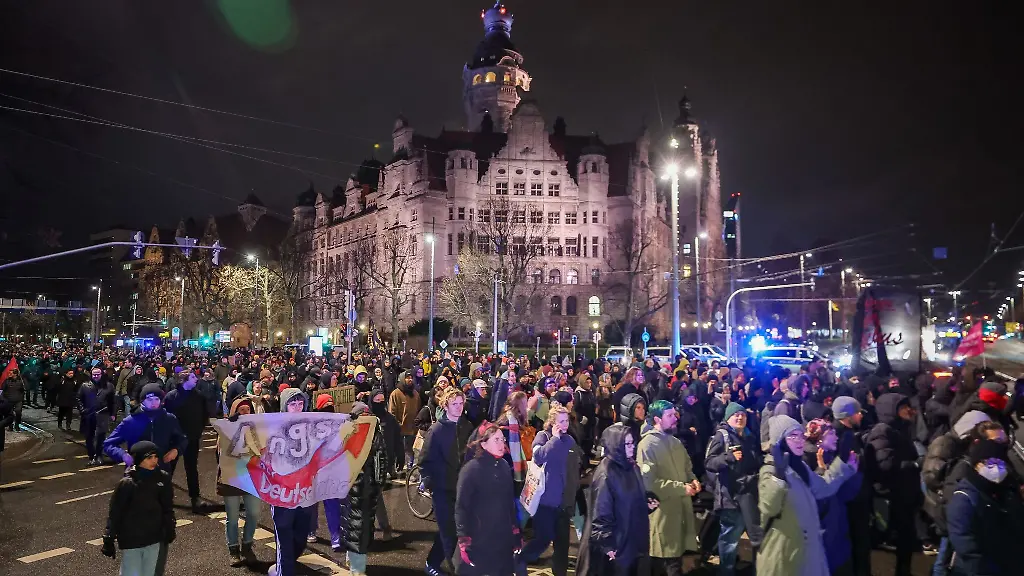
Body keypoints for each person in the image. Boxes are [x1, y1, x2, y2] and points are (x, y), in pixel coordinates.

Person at [756, 415, 855, 576]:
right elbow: (768, 507)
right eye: (793, 436)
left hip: (807, 553)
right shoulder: (769, 470)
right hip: (785, 556)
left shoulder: (799, 466)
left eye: (801, 435)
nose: (800, 440)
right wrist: (778, 478)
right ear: (780, 441)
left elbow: (822, 488)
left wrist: (843, 465)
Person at [576, 424, 655, 576]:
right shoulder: (606, 474)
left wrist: (647, 503)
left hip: (633, 541)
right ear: (616, 445)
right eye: (628, 444)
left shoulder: (632, 467)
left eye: (633, 443)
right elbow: (601, 512)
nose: (633, 447)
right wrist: (607, 544)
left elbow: (632, 498)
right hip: (618, 545)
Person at [922, 410, 992, 576]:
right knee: (946, 551)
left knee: (949, 547)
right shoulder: (945, 443)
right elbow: (931, 476)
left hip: (948, 502)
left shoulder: (959, 444)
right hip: (944, 504)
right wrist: (952, 489)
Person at [637, 400, 700, 576]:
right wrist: (681, 488)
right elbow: (649, 482)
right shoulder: (647, 445)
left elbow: (687, 467)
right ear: (657, 419)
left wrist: (693, 480)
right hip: (662, 516)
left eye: (675, 414)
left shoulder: (675, 442)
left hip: (679, 513)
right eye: (670, 416)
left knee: (676, 560)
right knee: (666, 563)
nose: (675, 419)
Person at [518, 403, 582, 576]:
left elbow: (575, 469)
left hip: (563, 503)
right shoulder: (543, 437)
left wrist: (574, 496)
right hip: (545, 502)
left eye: (566, 420)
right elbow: (537, 457)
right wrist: (554, 439)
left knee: (562, 543)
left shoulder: (570, 441)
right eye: (561, 421)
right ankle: (521, 559)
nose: (564, 424)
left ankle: (559, 572)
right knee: (543, 539)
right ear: (552, 422)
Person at [945, 438, 1024, 575]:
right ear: (976, 465)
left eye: (1000, 463)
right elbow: (966, 544)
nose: (996, 468)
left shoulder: (1006, 492)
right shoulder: (965, 498)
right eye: (989, 462)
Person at [863, 393, 922, 576]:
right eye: (903, 407)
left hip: (904, 492)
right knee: (900, 537)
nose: (908, 410)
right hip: (894, 495)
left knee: (906, 539)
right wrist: (914, 464)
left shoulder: (900, 428)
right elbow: (885, 465)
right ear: (892, 410)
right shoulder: (883, 430)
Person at [418, 386, 473, 576]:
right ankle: (455, 570)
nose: (458, 407)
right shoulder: (437, 430)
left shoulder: (467, 427)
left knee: (453, 530)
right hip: (442, 490)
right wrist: (430, 482)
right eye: (454, 404)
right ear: (446, 405)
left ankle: (431, 562)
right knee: (449, 533)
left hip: (462, 489)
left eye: (461, 403)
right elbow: (424, 460)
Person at [101, 441, 176, 576]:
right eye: (149, 458)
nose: (154, 460)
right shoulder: (127, 484)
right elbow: (115, 512)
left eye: (155, 456)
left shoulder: (162, 478)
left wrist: (170, 526)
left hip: (154, 538)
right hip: (132, 540)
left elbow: (167, 506)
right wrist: (109, 537)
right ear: (139, 459)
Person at [455, 423, 520, 576]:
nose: (502, 444)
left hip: (501, 540)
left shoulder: (504, 466)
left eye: (502, 439)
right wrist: (464, 539)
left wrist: (515, 532)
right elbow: (461, 507)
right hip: (479, 540)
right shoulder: (471, 470)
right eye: (496, 440)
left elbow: (509, 503)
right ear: (483, 444)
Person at [705, 401, 762, 576]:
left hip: (749, 495)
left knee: (755, 538)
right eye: (736, 415)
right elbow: (709, 462)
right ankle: (726, 572)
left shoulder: (749, 436)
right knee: (729, 539)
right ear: (728, 418)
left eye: (743, 415)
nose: (740, 417)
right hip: (730, 496)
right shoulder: (721, 436)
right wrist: (727, 457)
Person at [268, 388, 315, 576]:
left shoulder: (311, 426)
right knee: (285, 538)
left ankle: (284, 565)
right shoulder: (273, 428)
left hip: (304, 493)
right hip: (282, 494)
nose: (297, 407)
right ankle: (283, 571)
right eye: (292, 404)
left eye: (300, 403)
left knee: (301, 536)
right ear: (284, 406)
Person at [341, 401, 388, 576]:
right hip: (355, 488)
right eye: (363, 414)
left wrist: (380, 480)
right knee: (357, 528)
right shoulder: (350, 433)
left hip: (371, 488)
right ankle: (357, 568)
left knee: (364, 527)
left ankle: (353, 558)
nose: (366, 417)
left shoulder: (376, 433)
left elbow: (381, 457)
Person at [217, 396, 263, 567]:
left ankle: (247, 544)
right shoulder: (226, 427)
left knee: (253, 513)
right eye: (241, 410)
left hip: (251, 477)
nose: (245, 413)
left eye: (248, 410)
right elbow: (221, 451)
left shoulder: (256, 429)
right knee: (233, 516)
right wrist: (230, 426)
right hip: (232, 478)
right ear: (235, 411)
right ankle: (233, 549)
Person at [831, 396, 872, 576]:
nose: (860, 416)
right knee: (858, 543)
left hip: (852, 499)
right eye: (857, 413)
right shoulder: (844, 438)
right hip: (852, 501)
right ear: (848, 416)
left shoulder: (843, 434)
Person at [163, 371, 210, 513]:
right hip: (175, 439)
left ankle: (195, 498)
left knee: (191, 468)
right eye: (193, 377)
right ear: (184, 380)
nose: (197, 379)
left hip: (192, 437)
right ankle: (163, 497)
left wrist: (198, 431)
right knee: (168, 468)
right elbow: (166, 416)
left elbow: (204, 415)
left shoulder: (199, 396)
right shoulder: (171, 396)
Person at [77, 366, 118, 465]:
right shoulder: (85, 385)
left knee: (101, 436)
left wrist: (113, 413)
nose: (96, 376)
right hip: (89, 414)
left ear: (101, 374)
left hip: (103, 414)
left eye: (98, 374)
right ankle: (91, 456)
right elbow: (79, 398)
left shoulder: (109, 386)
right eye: (94, 374)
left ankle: (99, 455)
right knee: (89, 437)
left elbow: (113, 401)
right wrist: (82, 410)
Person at [389, 370, 422, 474]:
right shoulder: (396, 393)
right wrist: (397, 424)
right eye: (407, 377)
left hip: (412, 428)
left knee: (409, 450)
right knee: (397, 450)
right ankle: (393, 469)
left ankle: (409, 469)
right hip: (399, 428)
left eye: (411, 377)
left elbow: (418, 409)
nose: (410, 379)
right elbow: (392, 411)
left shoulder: (415, 393)